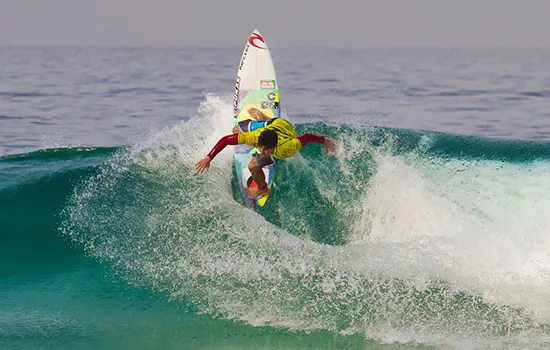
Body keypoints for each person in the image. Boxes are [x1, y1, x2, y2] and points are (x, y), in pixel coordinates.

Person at [195, 109, 338, 198]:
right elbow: (226, 140)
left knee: (253, 166)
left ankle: (263, 189)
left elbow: (306, 137)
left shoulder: (288, 147)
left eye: (265, 150)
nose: (261, 151)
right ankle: (262, 118)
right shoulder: (255, 137)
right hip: (270, 126)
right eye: (260, 148)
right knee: (235, 130)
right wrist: (209, 157)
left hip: (285, 127)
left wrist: (323, 140)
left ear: (272, 148)